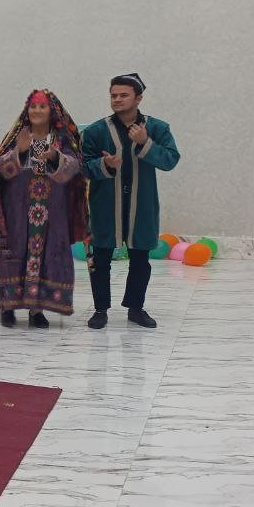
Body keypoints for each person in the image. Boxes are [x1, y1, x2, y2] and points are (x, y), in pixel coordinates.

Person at [81, 73, 181, 329]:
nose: (117, 99)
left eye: (123, 95)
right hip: (105, 207)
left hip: (142, 206)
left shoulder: (158, 128)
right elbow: (82, 167)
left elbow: (170, 160)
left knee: (140, 260)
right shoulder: (95, 131)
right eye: (113, 95)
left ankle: (136, 309)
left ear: (138, 98)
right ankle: (100, 310)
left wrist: (145, 143)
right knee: (99, 260)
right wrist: (105, 164)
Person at [0, 89, 88, 327]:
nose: (37, 110)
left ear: (52, 111)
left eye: (42, 106)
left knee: (47, 255)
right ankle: (8, 306)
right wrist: (19, 152)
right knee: (14, 255)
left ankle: (37, 310)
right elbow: (0, 171)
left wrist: (54, 157)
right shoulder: (17, 136)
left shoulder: (62, 140)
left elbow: (75, 169)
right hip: (17, 210)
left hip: (52, 211)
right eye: (33, 106)